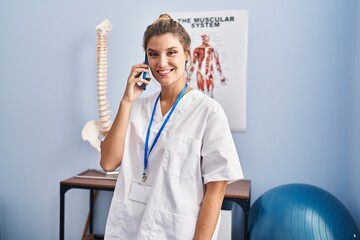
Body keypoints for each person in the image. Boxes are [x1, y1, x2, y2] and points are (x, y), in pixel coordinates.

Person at [100, 14, 243, 240]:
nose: (162, 62)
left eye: (171, 52)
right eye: (153, 54)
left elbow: (216, 190)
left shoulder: (208, 112)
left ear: (187, 54)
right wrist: (126, 101)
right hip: (129, 228)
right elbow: (108, 162)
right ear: (145, 59)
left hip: (177, 231)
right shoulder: (136, 108)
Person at [186, 34, 227, 98]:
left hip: (209, 72)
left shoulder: (212, 49)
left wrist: (221, 77)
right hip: (200, 73)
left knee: (210, 94)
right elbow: (193, 64)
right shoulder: (197, 49)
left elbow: (217, 63)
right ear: (202, 38)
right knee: (200, 94)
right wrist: (189, 76)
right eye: (204, 37)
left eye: (206, 37)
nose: (205, 39)